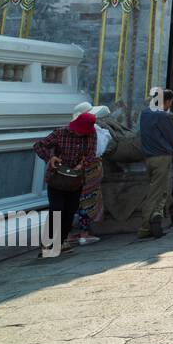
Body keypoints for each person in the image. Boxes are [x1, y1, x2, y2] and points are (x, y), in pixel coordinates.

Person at [33, 111, 99, 257]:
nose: (81, 134)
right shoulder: (61, 133)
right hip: (57, 178)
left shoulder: (92, 135)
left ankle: (60, 242)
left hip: (75, 180)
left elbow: (91, 155)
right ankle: (47, 244)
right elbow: (38, 145)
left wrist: (82, 165)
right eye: (79, 131)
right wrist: (51, 157)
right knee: (57, 209)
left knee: (70, 211)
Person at [138, 89, 173, 240]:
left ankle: (156, 218)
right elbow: (172, 137)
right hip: (162, 157)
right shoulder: (161, 115)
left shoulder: (145, 114)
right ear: (167, 101)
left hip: (148, 157)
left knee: (156, 189)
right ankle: (145, 226)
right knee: (157, 192)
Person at [70, 104, 111, 246]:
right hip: (90, 169)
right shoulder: (95, 131)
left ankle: (77, 232)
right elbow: (101, 148)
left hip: (75, 170)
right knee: (87, 201)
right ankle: (84, 234)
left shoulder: (72, 132)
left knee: (78, 200)